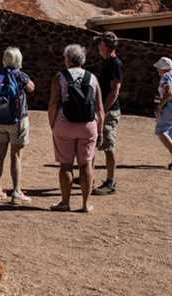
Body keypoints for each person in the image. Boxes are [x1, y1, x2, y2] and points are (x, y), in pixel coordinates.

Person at [48, 44, 105, 213]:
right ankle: (85, 204)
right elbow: (100, 108)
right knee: (86, 164)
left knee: (65, 165)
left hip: (64, 124)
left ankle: (65, 202)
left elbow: (53, 103)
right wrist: (100, 130)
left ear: (67, 59)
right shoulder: (92, 78)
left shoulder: (60, 77)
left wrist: (53, 124)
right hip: (88, 126)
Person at [0, 47, 35, 204]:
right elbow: (31, 87)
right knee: (16, 155)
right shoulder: (20, 75)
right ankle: (16, 192)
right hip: (16, 119)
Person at [92, 32, 123, 196]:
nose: (98, 47)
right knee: (97, 142)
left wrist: (103, 110)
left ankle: (110, 182)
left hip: (109, 111)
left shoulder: (114, 64)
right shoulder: (107, 62)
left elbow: (115, 90)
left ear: (106, 46)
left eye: (100, 44)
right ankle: (89, 176)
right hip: (104, 109)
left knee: (108, 145)